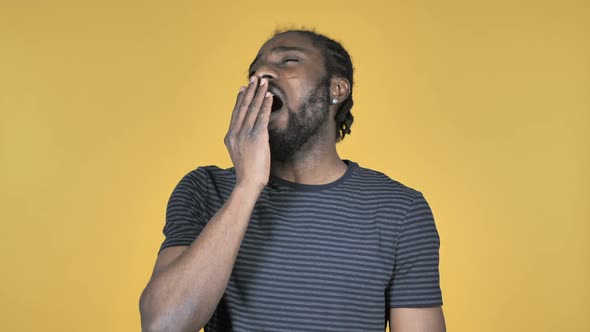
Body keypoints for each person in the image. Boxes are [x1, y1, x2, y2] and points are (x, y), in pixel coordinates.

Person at [139, 29, 446, 332]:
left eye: (288, 61)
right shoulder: (205, 189)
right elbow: (164, 325)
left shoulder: (400, 210)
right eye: (254, 70)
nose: (262, 74)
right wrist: (247, 186)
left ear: (336, 89)